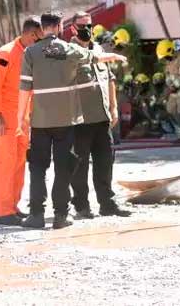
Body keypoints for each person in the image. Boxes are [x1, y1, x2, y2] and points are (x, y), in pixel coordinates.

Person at [17, 11, 127, 230]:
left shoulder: (31, 52)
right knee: (63, 168)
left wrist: (21, 118)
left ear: (42, 28)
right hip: (66, 121)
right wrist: (115, 56)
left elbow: (25, 89)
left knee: (38, 168)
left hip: (40, 122)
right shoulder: (70, 50)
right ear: (59, 27)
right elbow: (97, 58)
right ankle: (61, 216)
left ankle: (36, 215)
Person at [69, 12, 130, 219]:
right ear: (73, 28)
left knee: (105, 163)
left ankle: (107, 203)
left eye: (90, 24)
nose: (88, 28)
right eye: (83, 25)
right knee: (79, 165)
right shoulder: (68, 52)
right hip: (80, 119)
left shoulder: (98, 49)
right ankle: (81, 206)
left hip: (102, 118)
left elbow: (110, 80)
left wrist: (113, 108)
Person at [0, 17, 43, 226]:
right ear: (31, 34)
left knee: (18, 163)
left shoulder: (30, 54)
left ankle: (12, 207)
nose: (40, 42)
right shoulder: (6, 53)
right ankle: (2, 211)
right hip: (6, 116)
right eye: (39, 38)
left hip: (22, 117)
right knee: (4, 163)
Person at [157, 39, 180, 140]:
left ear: (171, 50)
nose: (165, 59)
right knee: (170, 109)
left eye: (166, 56)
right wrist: (168, 84)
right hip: (174, 91)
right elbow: (168, 75)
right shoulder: (169, 61)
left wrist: (175, 86)